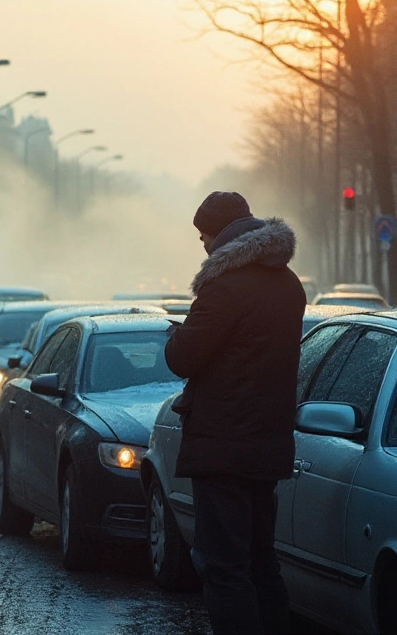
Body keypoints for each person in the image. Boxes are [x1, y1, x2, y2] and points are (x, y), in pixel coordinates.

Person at [164, 191, 304, 635]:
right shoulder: (289, 284)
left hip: (223, 447)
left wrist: (176, 336)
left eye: (203, 233)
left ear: (221, 234)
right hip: (268, 444)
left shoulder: (223, 287)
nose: (201, 242)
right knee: (263, 562)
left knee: (223, 566)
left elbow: (184, 358)